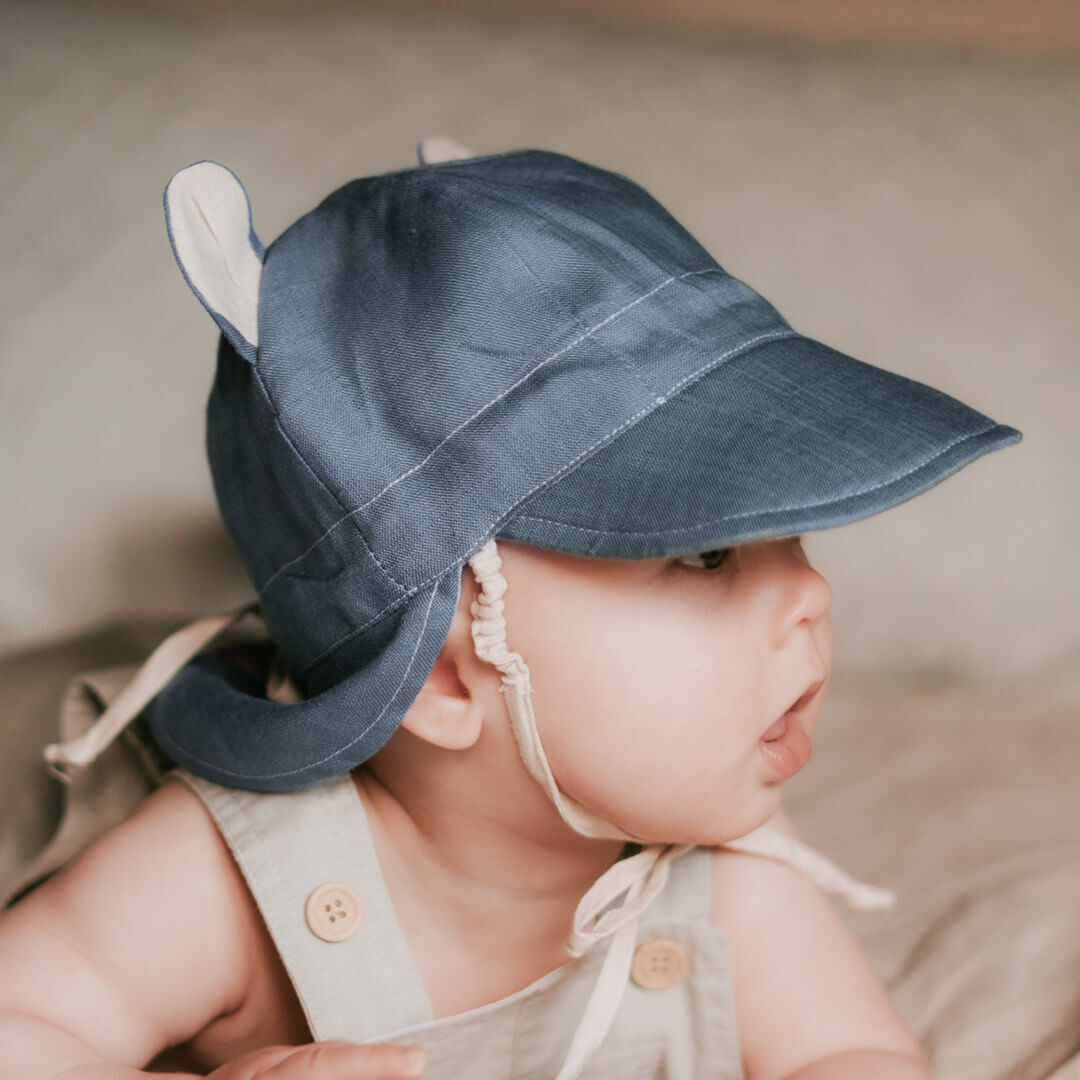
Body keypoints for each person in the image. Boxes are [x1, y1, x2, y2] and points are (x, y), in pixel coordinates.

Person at [0, 139, 1021, 1079]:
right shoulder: (221, 876)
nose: (811, 593)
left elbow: (850, 1055)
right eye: (706, 554)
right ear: (448, 675)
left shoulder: (723, 875)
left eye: (791, 536)